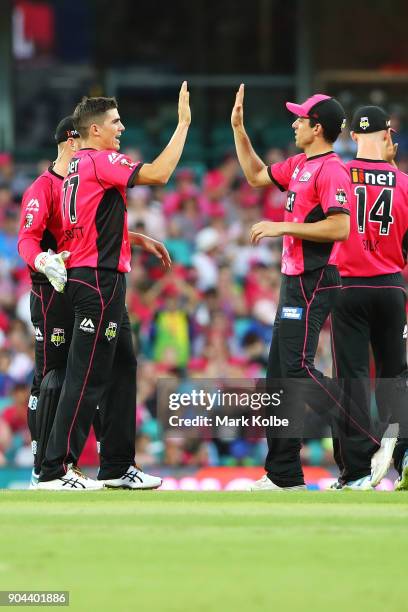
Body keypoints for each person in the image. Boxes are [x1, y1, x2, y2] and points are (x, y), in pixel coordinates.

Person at [37, 82, 190, 490]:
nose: (121, 128)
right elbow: (158, 174)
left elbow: (89, 225)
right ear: (94, 131)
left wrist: (136, 238)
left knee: (124, 368)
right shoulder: (101, 160)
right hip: (100, 281)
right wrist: (183, 125)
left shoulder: (76, 170)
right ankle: (55, 469)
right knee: (86, 375)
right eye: (115, 122)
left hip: (99, 278)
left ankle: (118, 466)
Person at [231, 86, 383, 491]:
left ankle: (366, 438)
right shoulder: (300, 162)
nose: (294, 123)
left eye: (300, 118)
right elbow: (255, 175)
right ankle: (283, 474)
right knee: (278, 376)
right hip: (294, 278)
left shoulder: (332, 169)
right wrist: (238, 130)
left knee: (296, 369)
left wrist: (281, 226)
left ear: (317, 128)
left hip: (314, 278)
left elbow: (339, 227)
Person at [331, 106, 408, 491]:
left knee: (353, 382)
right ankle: (406, 455)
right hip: (392, 286)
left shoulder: (339, 171)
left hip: (347, 285)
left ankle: (359, 471)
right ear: (387, 134)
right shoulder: (404, 182)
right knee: (397, 378)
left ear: (352, 136)